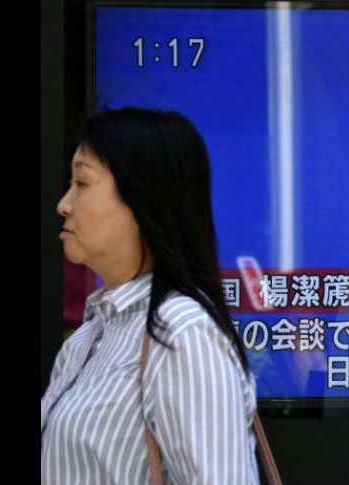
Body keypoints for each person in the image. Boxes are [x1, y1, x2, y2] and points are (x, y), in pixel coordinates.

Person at [41, 106, 260, 484]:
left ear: (143, 199)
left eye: (82, 183)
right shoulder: (89, 336)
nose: (64, 204)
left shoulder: (182, 333)